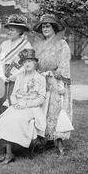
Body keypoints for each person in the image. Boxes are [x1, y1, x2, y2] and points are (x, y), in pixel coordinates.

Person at [0, 48, 47, 164]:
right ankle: (9, 153)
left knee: (16, 119)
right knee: (6, 118)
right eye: (24, 62)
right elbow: (13, 95)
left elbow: (42, 98)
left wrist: (27, 104)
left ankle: (9, 154)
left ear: (35, 62)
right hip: (18, 105)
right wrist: (14, 104)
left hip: (32, 107)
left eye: (29, 61)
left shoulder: (40, 78)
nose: (26, 64)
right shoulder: (20, 77)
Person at [33, 14, 73, 156]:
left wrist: (58, 77)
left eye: (48, 26)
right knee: (42, 109)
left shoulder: (62, 43)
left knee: (56, 109)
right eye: (43, 26)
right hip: (41, 79)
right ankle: (46, 140)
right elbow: (35, 62)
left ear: (54, 28)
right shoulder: (39, 44)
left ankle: (59, 142)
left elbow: (64, 63)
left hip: (56, 80)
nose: (45, 28)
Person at [0, 14, 33, 119]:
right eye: (9, 29)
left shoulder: (26, 45)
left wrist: (15, 75)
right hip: (2, 78)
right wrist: (2, 76)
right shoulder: (4, 44)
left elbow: (28, 63)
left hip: (17, 79)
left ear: (20, 31)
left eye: (12, 30)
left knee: (14, 104)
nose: (9, 32)